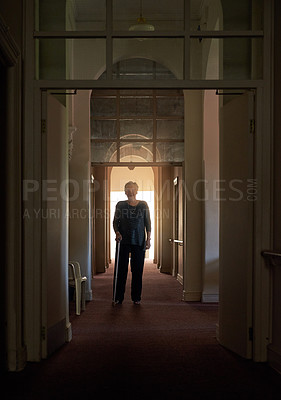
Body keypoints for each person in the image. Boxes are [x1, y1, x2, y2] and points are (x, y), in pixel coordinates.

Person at [112, 181, 151, 305]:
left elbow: (148, 223)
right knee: (121, 270)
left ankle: (136, 297)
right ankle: (118, 297)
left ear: (137, 191)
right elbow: (115, 222)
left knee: (137, 270)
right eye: (128, 189)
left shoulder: (143, 205)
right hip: (123, 241)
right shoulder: (120, 205)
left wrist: (148, 239)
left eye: (132, 189)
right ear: (125, 192)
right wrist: (117, 232)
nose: (130, 192)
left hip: (139, 241)